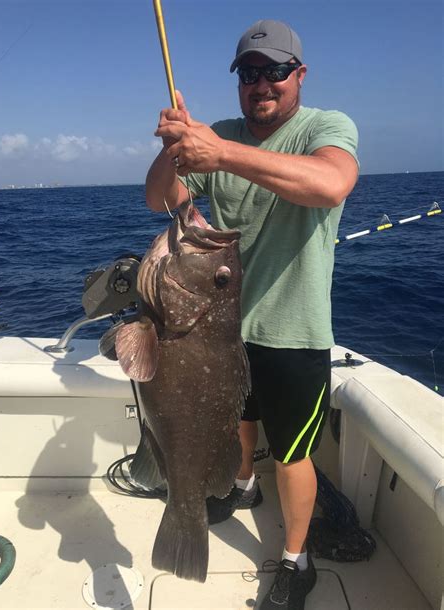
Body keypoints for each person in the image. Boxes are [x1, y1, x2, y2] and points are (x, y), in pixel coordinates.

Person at [145, 18, 358, 610]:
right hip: (223, 331)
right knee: (236, 423)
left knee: (291, 454)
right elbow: (163, 201)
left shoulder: (326, 127)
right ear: (239, 81)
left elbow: (331, 184)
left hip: (293, 331)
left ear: (300, 75)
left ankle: (297, 560)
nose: (262, 84)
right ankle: (240, 489)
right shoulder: (221, 135)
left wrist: (219, 152)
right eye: (249, 73)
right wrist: (175, 153)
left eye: (275, 71)